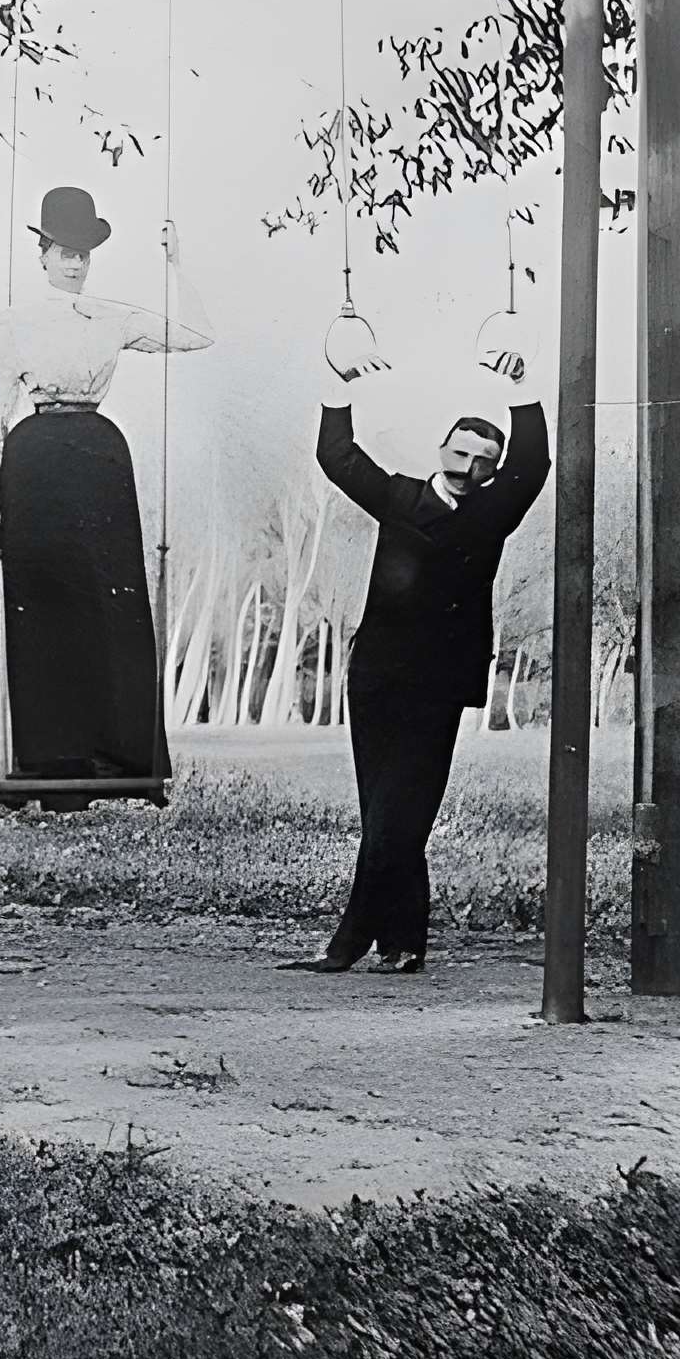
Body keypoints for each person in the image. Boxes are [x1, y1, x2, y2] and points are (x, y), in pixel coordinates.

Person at [291, 329, 551, 973]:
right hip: (375, 673)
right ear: (442, 448)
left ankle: (346, 944)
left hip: (439, 683)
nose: (470, 469)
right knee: (386, 812)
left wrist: (521, 389)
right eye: (461, 453)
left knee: (400, 815)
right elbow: (338, 457)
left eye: (484, 461)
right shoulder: (400, 496)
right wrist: (338, 386)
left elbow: (535, 466)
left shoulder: (492, 513)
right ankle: (405, 943)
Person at [0, 184, 211, 787]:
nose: (76, 263)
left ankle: (123, 754)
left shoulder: (112, 316)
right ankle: (50, 757)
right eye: (64, 251)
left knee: (112, 601)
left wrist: (175, 263)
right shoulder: (13, 322)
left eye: (84, 253)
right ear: (41, 253)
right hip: (33, 458)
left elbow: (195, 334)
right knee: (42, 601)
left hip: (97, 452)